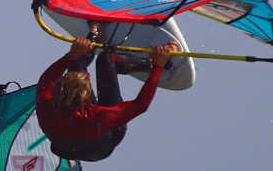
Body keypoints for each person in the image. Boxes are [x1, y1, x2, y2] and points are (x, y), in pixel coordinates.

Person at [35, 23, 178, 162]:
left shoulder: (45, 104)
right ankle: (149, 64)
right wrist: (158, 67)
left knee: (77, 63)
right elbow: (140, 105)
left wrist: (71, 55)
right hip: (106, 139)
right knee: (107, 59)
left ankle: (95, 33)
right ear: (86, 99)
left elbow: (47, 79)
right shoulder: (96, 117)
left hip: (75, 131)